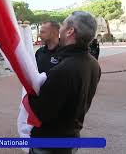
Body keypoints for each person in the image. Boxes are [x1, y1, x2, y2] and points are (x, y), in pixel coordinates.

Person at [28, 11, 101, 154]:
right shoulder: (93, 64)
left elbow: (41, 112)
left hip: (50, 144)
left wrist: (31, 91)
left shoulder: (63, 70)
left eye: (63, 25)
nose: (59, 29)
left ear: (70, 31)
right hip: (71, 138)